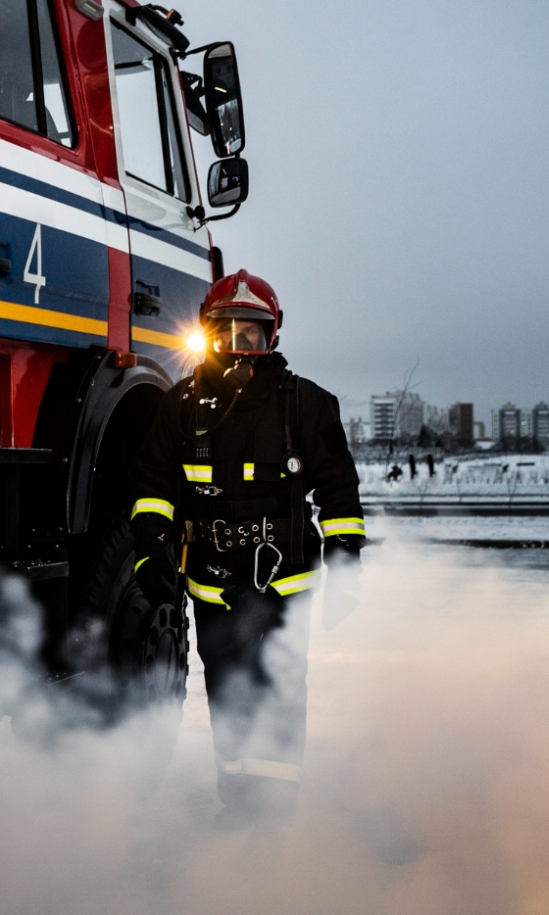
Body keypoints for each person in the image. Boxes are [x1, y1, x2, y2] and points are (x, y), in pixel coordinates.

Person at [129, 270, 365, 827]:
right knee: (228, 689)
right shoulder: (180, 406)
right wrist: (148, 546)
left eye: (251, 335)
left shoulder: (307, 404)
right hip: (211, 579)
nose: (239, 346)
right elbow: (153, 482)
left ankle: (274, 812)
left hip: (285, 579)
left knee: (280, 687)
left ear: (272, 337)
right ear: (207, 335)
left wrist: (347, 559)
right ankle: (237, 803)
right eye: (226, 333)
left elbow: (338, 487)